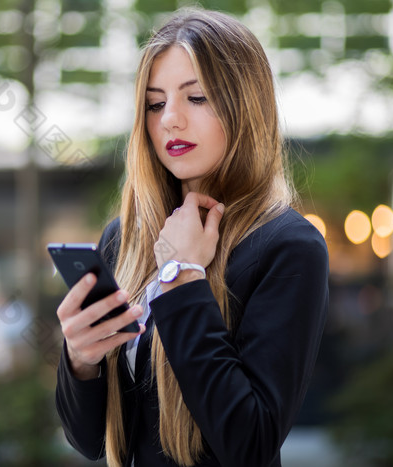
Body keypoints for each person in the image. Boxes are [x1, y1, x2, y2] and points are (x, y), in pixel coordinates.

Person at [54, 8, 329, 467]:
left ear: (245, 107)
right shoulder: (124, 239)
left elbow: (250, 443)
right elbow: (90, 441)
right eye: (156, 103)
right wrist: (81, 360)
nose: (170, 121)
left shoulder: (289, 247)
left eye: (196, 98)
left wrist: (183, 278)